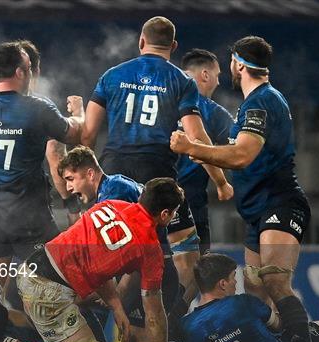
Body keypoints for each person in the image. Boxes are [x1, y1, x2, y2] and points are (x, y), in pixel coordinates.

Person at [170, 36, 319, 342]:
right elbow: (238, 149)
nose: (228, 73)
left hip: (280, 203)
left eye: (230, 66)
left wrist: (192, 146)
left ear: (238, 64)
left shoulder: (261, 102)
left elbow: (242, 154)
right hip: (258, 211)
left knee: (274, 280)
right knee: (255, 288)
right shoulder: (256, 103)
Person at [82, 16, 233, 308]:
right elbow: (196, 138)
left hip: (112, 171)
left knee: (110, 252)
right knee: (186, 253)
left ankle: (102, 320)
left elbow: (88, 134)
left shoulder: (112, 75)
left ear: (141, 41)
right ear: (173, 46)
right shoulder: (181, 81)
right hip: (156, 178)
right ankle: (172, 323)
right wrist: (221, 181)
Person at [4, 177, 185, 342]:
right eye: (175, 212)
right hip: (50, 295)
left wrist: (116, 306)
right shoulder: (150, 251)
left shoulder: (110, 205)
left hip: (33, 270)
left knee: (87, 324)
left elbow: (97, 264)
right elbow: (154, 315)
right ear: (165, 214)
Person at [0, 41, 84, 286]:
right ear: (22, 72)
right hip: (30, 218)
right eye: (30, 67)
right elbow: (64, 146)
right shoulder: (38, 109)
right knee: (52, 292)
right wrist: (79, 113)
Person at [58, 145, 182, 342]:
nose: (68, 187)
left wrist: (116, 297)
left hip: (150, 273)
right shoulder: (113, 186)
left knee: (75, 304)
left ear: (90, 174)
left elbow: (133, 251)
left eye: (70, 178)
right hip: (146, 271)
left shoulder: (114, 193)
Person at [177, 253, 319, 342]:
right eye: (233, 277)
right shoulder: (241, 303)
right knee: (316, 327)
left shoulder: (185, 325)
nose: (235, 283)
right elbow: (281, 326)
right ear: (222, 284)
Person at [177, 49, 235, 255]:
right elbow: (240, 150)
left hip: (149, 196)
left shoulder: (161, 100)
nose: (218, 82)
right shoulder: (213, 112)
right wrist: (222, 183)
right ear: (204, 75)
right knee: (198, 268)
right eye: (217, 75)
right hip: (191, 201)